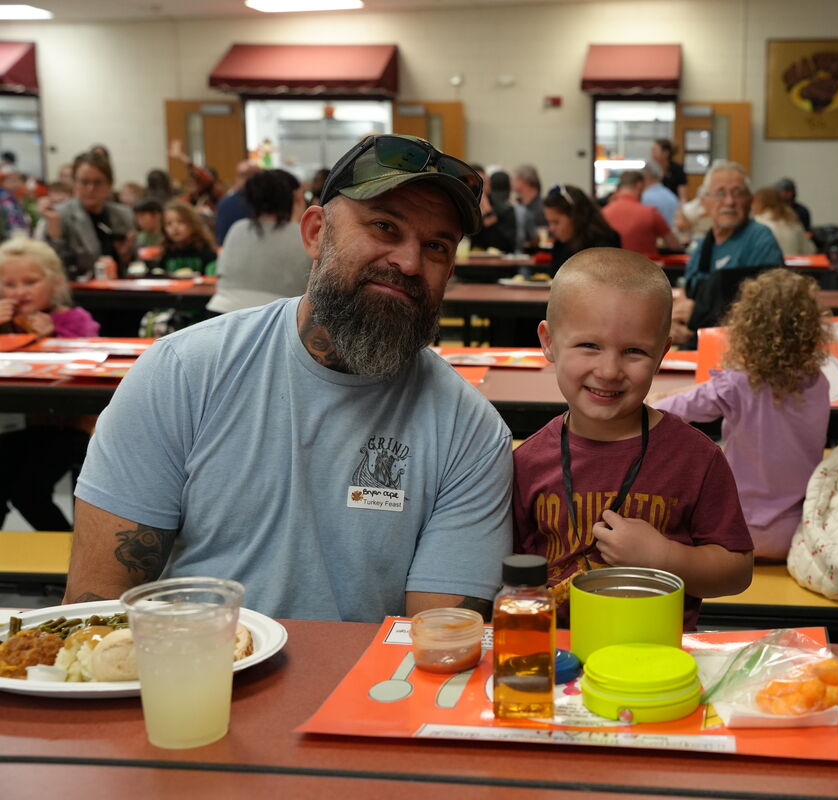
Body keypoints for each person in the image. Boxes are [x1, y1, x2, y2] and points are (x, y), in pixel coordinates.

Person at [65, 133, 513, 622]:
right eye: (384, 226)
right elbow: (98, 605)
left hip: (366, 696)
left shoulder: (470, 432)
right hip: (197, 683)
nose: (408, 261)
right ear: (316, 232)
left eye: (436, 246)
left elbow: (440, 644)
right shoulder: (181, 375)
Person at [513, 247, 754, 630]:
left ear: (661, 355)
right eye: (589, 345)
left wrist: (665, 557)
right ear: (549, 342)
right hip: (553, 657)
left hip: (657, 655)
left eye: (634, 352)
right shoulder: (524, 462)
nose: (609, 371)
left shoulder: (698, 459)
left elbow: (738, 572)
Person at [653, 269, 830, 562]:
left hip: (735, 534)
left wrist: (656, 398)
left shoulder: (737, 384)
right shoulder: (818, 383)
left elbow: (672, 409)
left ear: (747, 326)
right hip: (796, 533)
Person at [0, 237, 99, 531]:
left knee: (28, 492)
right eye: (9, 284)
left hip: (68, 426)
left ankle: (71, 561)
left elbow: (91, 358)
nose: (20, 292)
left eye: (30, 282)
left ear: (54, 283)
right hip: (17, 425)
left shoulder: (75, 320)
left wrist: (55, 335)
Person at [208, 169, 311, 313]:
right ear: (295, 199)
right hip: (275, 319)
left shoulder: (238, 229)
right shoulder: (304, 236)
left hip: (221, 314)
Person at [682, 162, 782, 295]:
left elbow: (765, 300)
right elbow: (690, 288)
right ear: (705, 202)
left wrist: (698, 311)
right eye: (720, 193)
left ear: (750, 200)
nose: (729, 201)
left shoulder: (760, 238)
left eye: (738, 193)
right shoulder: (703, 245)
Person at [38, 151, 135, 281]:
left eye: (98, 182)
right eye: (84, 182)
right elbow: (49, 265)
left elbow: (135, 261)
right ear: (74, 183)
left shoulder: (124, 214)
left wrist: (127, 255)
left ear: (109, 184)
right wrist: (54, 234)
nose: (90, 188)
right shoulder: (57, 215)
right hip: (77, 292)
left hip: (120, 289)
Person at [601, 170, 681, 258]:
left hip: (611, 267)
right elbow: (674, 244)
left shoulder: (603, 213)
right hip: (645, 268)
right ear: (639, 185)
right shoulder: (650, 213)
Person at [543, 184, 621, 272]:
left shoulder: (604, 244)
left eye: (556, 222)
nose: (551, 228)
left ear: (576, 217)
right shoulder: (561, 244)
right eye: (549, 222)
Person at [160, 199, 218, 276]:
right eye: (169, 224)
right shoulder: (164, 253)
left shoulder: (206, 252)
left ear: (193, 224)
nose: (175, 227)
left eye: (181, 222)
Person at [752, 187, 816, 255]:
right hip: (794, 264)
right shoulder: (794, 223)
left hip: (768, 265)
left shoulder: (756, 225)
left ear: (758, 203)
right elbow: (810, 250)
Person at [214, 159, 261, 245]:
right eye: (243, 175)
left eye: (254, 175)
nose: (249, 179)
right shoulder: (226, 204)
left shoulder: (267, 202)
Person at [471, 168, 517, 253]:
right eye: (473, 184)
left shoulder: (505, 210)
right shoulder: (459, 208)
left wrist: (488, 212)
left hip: (496, 263)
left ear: (489, 185)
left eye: (482, 183)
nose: (479, 189)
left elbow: (506, 246)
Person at [512, 163, 546, 252]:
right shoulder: (514, 204)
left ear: (524, 181)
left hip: (538, 252)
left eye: (514, 179)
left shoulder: (543, 207)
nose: (511, 182)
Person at [640, 162, 679, 240]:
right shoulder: (672, 196)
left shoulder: (644, 198)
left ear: (645, 177)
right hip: (672, 240)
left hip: (653, 242)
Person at [651, 138, 688, 202]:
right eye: (652, 150)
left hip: (673, 205)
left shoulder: (677, 169)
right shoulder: (650, 169)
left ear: (666, 153)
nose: (652, 153)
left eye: (655, 150)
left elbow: (683, 196)